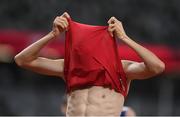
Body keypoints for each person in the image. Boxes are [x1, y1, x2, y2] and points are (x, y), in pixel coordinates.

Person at [14, 12, 165, 116]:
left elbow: (157, 67)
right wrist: (52, 34)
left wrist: (124, 38)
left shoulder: (122, 69)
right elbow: (22, 60)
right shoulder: (68, 67)